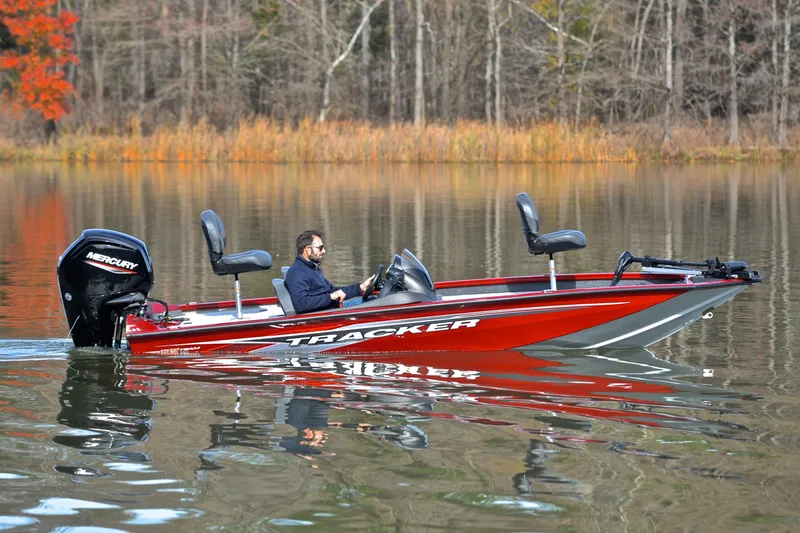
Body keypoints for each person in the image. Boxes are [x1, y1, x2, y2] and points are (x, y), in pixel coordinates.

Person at [284, 230, 375, 314]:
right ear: (308, 250)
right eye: (320, 248)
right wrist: (330, 297)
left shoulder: (312, 268)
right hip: (324, 317)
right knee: (378, 303)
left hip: (332, 308)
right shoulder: (297, 272)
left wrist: (361, 287)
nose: (324, 251)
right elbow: (302, 304)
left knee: (375, 299)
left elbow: (333, 290)